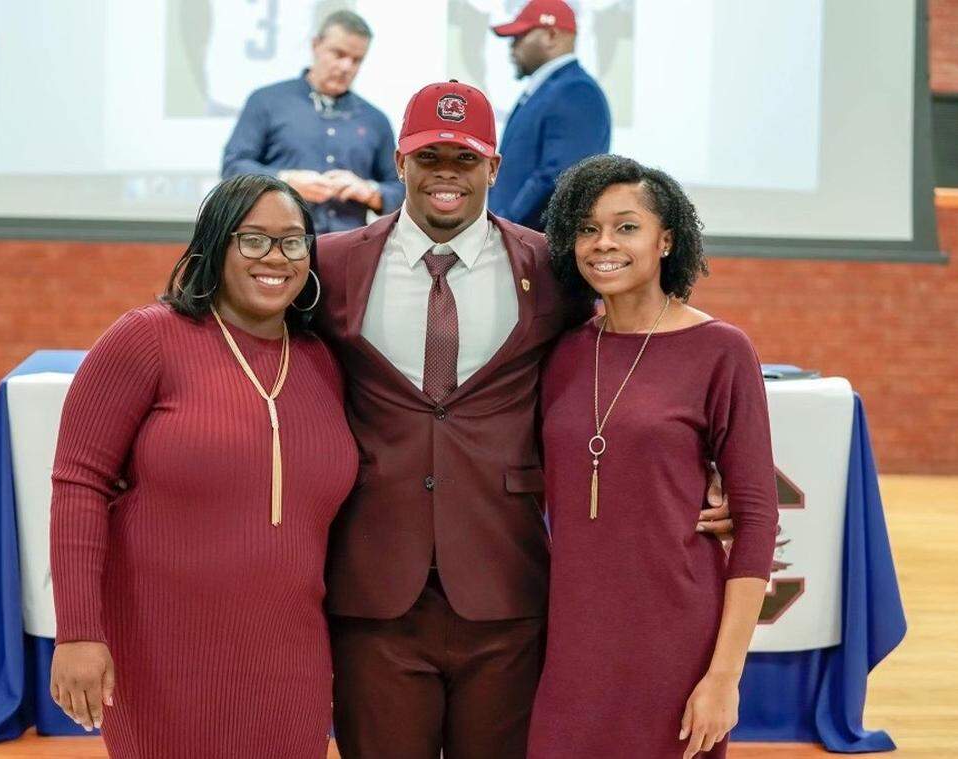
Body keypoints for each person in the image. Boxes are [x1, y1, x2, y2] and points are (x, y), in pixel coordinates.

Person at [313, 81, 732, 758]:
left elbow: (632, 368)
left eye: (465, 157)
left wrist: (709, 478)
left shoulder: (555, 270)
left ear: (495, 168)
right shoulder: (332, 266)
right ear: (399, 162)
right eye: (429, 156)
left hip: (507, 590)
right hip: (375, 591)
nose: (446, 170)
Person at [48, 174, 358, 758]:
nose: (276, 258)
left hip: (291, 655)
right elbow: (78, 484)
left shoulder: (324, 361)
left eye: (294, 242)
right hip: (162, 649)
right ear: (214, 247)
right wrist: (79, 632)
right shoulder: (146, 339)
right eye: (254, 240)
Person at [526, 154, 779, 758]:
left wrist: (724, 677)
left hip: (674, 632)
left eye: (626, 226)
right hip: (568, 637)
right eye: (587, 228)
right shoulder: (559, 351)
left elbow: (756, 517)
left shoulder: (720, 349)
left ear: (666, 240)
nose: (603, 244)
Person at [220, 11, 403, 233]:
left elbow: (402, 190)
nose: (347, 67)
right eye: (339, 54)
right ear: (316, 45)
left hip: (347, 251)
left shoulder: (375, 119)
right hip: (276, 245)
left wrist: (371, 192)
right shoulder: (266, 101)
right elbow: (232, 168)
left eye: (356, 60)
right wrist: (284, 181)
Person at [489, 0, 611, 231]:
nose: (512, 47)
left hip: (536, 247)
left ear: (551, 35)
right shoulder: (548, 89)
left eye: (520, 37)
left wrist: (507, 227)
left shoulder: (576, 92)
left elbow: (560, 176)